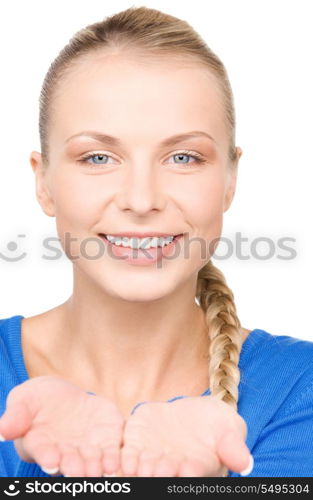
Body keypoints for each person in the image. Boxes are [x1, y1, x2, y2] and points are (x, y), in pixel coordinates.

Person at [0, 6, 312, 478]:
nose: (141, 199)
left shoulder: (299, 390)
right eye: (99, 156)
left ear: (230, 180)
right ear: (44, 182)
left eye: (183, 157)